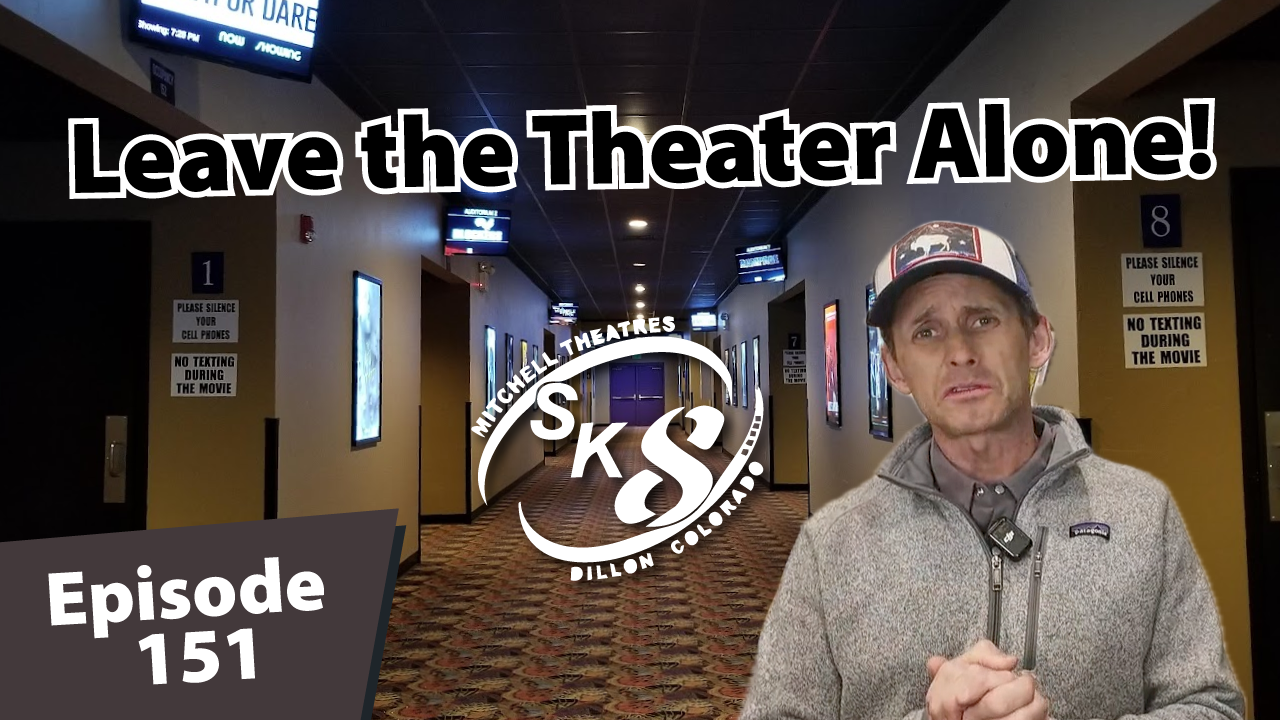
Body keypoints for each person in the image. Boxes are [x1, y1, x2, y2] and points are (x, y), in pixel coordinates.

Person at [740, 221, 1244, 720]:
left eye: (983, 320)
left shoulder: (1141, 512)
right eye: (926, 331)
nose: (960, 353)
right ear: (894, 367)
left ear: (1037, 339)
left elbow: (1210, 706)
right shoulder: (833, 544)